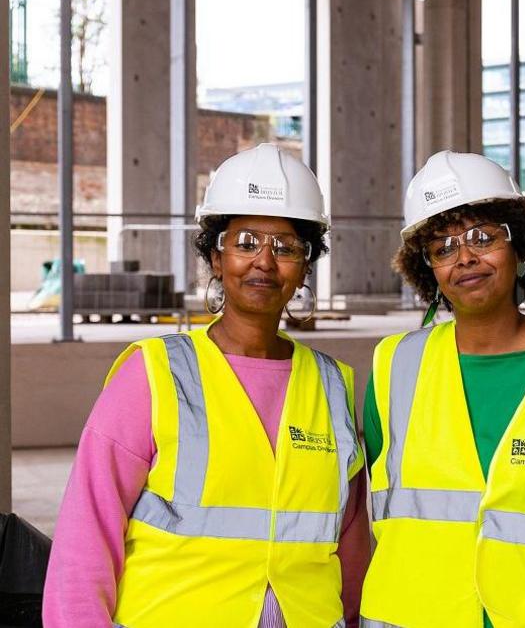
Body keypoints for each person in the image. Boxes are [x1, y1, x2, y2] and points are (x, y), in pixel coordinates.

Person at [43, 143, 367, 626]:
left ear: (304, 266)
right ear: (216, 258)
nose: (264, 261)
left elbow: (353, 546)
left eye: (285, 246)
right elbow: (86, 534)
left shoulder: (331, 386)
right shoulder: (153, 373)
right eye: (246, 242)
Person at [359, 151, 525, 627]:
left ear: (520, 247)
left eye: (482, 237)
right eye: (442, 246)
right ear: (429, 271)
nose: (465, 257)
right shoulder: (393, 365)